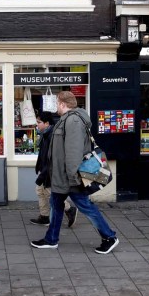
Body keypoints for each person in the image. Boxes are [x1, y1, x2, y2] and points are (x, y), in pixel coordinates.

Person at [30, 91, 119, 254]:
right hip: (60, 177)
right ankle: (51, 239)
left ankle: (109, 237)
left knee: (86, 207)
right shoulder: (66, 120)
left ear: (63, 104)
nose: (56, 106)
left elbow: (73, 152)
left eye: (57, 103)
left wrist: (73, 177)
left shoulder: (73, 121)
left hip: (70, 178)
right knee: (55, 205)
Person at [31, 111, 78, 228]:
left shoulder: (52, 136)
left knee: (49, 193)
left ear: (47, 123)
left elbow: (51, 159)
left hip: (49, 172)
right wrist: (39, 167)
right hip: (45, 170)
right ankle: (44, 216)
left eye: (39, 122)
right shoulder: (45, 134)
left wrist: (42, 175)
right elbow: (43, 154)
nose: (37, 125)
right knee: (41, 191)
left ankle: (69, 209)